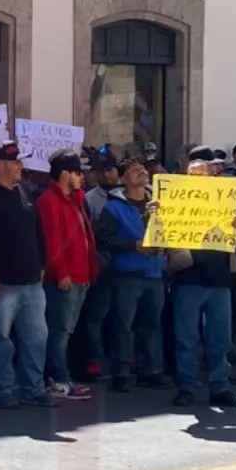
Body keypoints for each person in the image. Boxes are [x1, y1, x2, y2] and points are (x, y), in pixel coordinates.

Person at [0, 144, 50, 410]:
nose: (20, 168)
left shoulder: (25, 192)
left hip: (31, 282)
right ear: (0, 165)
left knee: (36, 338)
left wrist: (42, 263)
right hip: (0, 284)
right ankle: (2, 389)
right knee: (1, 340)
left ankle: (33, 388)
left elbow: (38, 231)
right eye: (15, 163)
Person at [170, 151, 236, 415]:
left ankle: (220, 387)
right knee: (186, 338)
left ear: (212, 175)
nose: (198, 178)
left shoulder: (226, 202)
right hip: (187, 277)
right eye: (193, 174)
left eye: (202, 174)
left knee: (220, 339)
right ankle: (187, 387)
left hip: (219, 279)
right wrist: (154, 215)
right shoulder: (173, 201)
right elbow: (157, 237)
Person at [96, 157, 167, 392]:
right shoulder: (113, 207)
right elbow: (102, 240)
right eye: (134, 170)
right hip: (126, 274)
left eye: (143, 169)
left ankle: (150, 370)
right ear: (124, 179)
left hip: (154, 273)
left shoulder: (158, 204)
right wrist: (133, 246)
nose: (142, 172)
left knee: (152, 325)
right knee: (123, 325)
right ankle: (121, 373)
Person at [37, 150, 97, 400]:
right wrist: (61, 273)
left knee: (66, 331)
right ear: (64, 174)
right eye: (76, 172)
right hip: (65, 279)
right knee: (59, 332)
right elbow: (53, 240)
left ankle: (61, 377)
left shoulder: (76, 200)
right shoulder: (48, 200)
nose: (81, 177)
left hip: (81, 277)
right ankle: (58, 379)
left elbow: (85, 237)